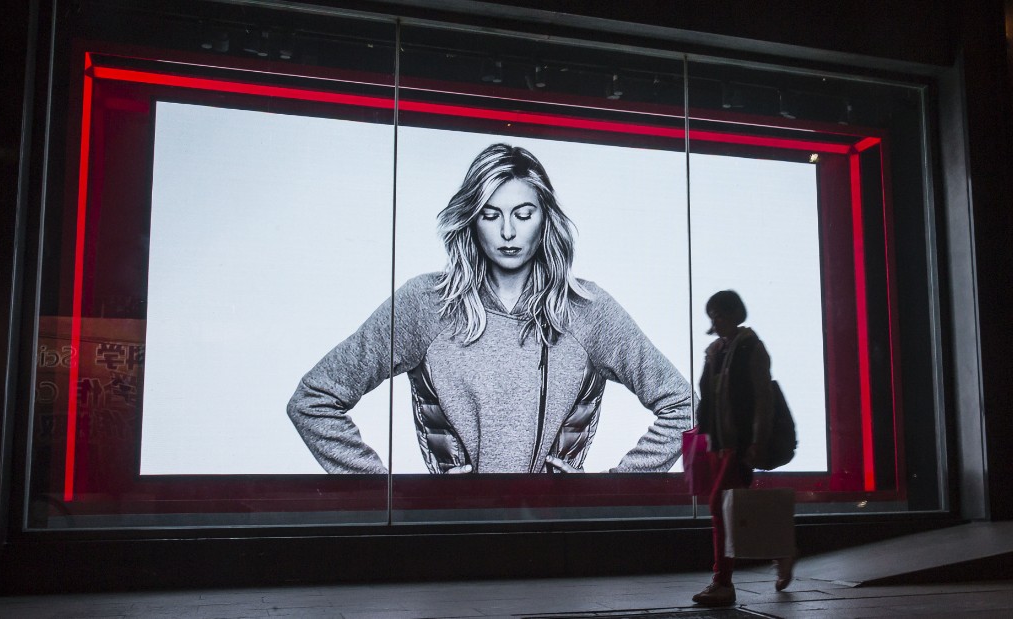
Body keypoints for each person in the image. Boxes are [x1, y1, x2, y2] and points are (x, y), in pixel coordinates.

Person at [287, 143, 690, 474]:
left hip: (558, 539)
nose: (508, 232)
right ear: (472, 221)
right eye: (491, 215)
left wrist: (613, 493)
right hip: (453, 538)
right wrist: (388, 495)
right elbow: (314, 400)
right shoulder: (426, 304)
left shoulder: (586, 309)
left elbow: (684, 408)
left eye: (523, 214)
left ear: (545, 219)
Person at [691, 290, 794, 606]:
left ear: (736, 313)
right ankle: (782, 552)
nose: (716, 321)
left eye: (720, 314)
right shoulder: (715, 351)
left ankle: (723, 582)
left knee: (720, 508)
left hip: (739, 446)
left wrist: (756, 441)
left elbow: (763, 399)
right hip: (721, 447)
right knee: (735, 510)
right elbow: (710, 399)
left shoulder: (750, 346)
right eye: (713, 315)